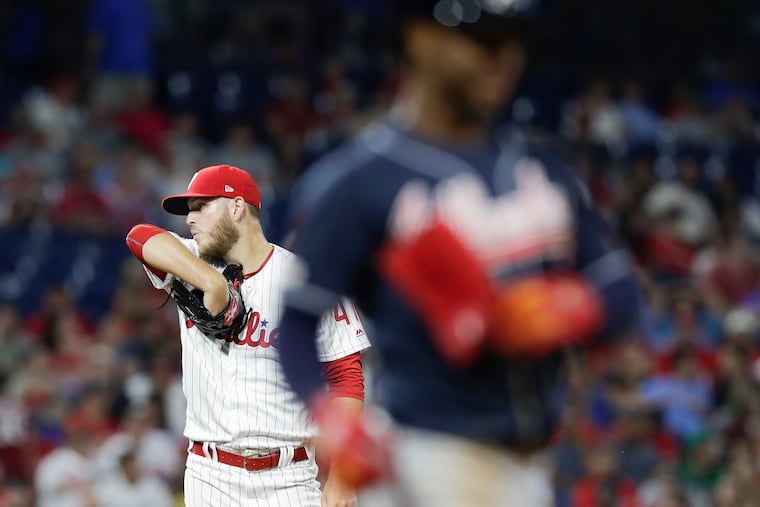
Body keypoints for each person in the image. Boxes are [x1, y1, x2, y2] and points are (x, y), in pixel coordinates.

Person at [277, 1, 642, 506]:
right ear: (418, 41)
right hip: (426, 461)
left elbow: (620, 288)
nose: (502, 58)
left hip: (529, 465)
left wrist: (582, 306)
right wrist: (331, 416)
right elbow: (296, 322)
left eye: (510, 41)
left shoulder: (540, 165)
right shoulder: (362, 182)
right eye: (482, 41)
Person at [125, 164, 370, 506]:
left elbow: (345, 378)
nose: (190, 220)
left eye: (201, 207)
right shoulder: (190, 263)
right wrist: (211, 281)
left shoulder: (306, 280)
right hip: (210, 474)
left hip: (290, 475)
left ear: (237, 207)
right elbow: (139, 235)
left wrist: (343, 476)